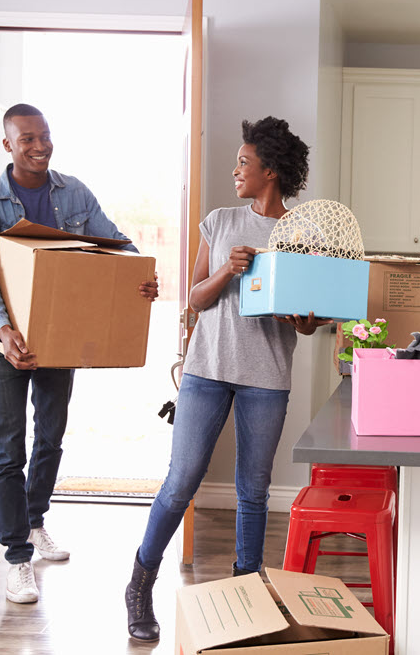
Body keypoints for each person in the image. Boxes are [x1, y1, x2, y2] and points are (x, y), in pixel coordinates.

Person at [125, 116, 329, 642]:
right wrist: (225, 272)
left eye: (243, 162)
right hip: (206, 372)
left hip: (266, 377)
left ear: (271, 170)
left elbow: (310, 323)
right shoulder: (218, 223)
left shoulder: (303, 234)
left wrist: (302, 318)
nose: (235, 170)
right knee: (181, 482)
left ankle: (246, 594)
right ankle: (141, 580)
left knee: (254, 491)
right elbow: (193, 299)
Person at [0, 103, 159, 604]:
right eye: (27, 138)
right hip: (5, 341)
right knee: (8, 450)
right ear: (8, 145)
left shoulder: (73, 192)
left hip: (59, 336)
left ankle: (35, 522)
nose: (39, 145)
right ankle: (16, 558)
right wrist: (5, 332)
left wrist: (137, 276)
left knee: (50, 437)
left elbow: (114, 243)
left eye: (44, 135)